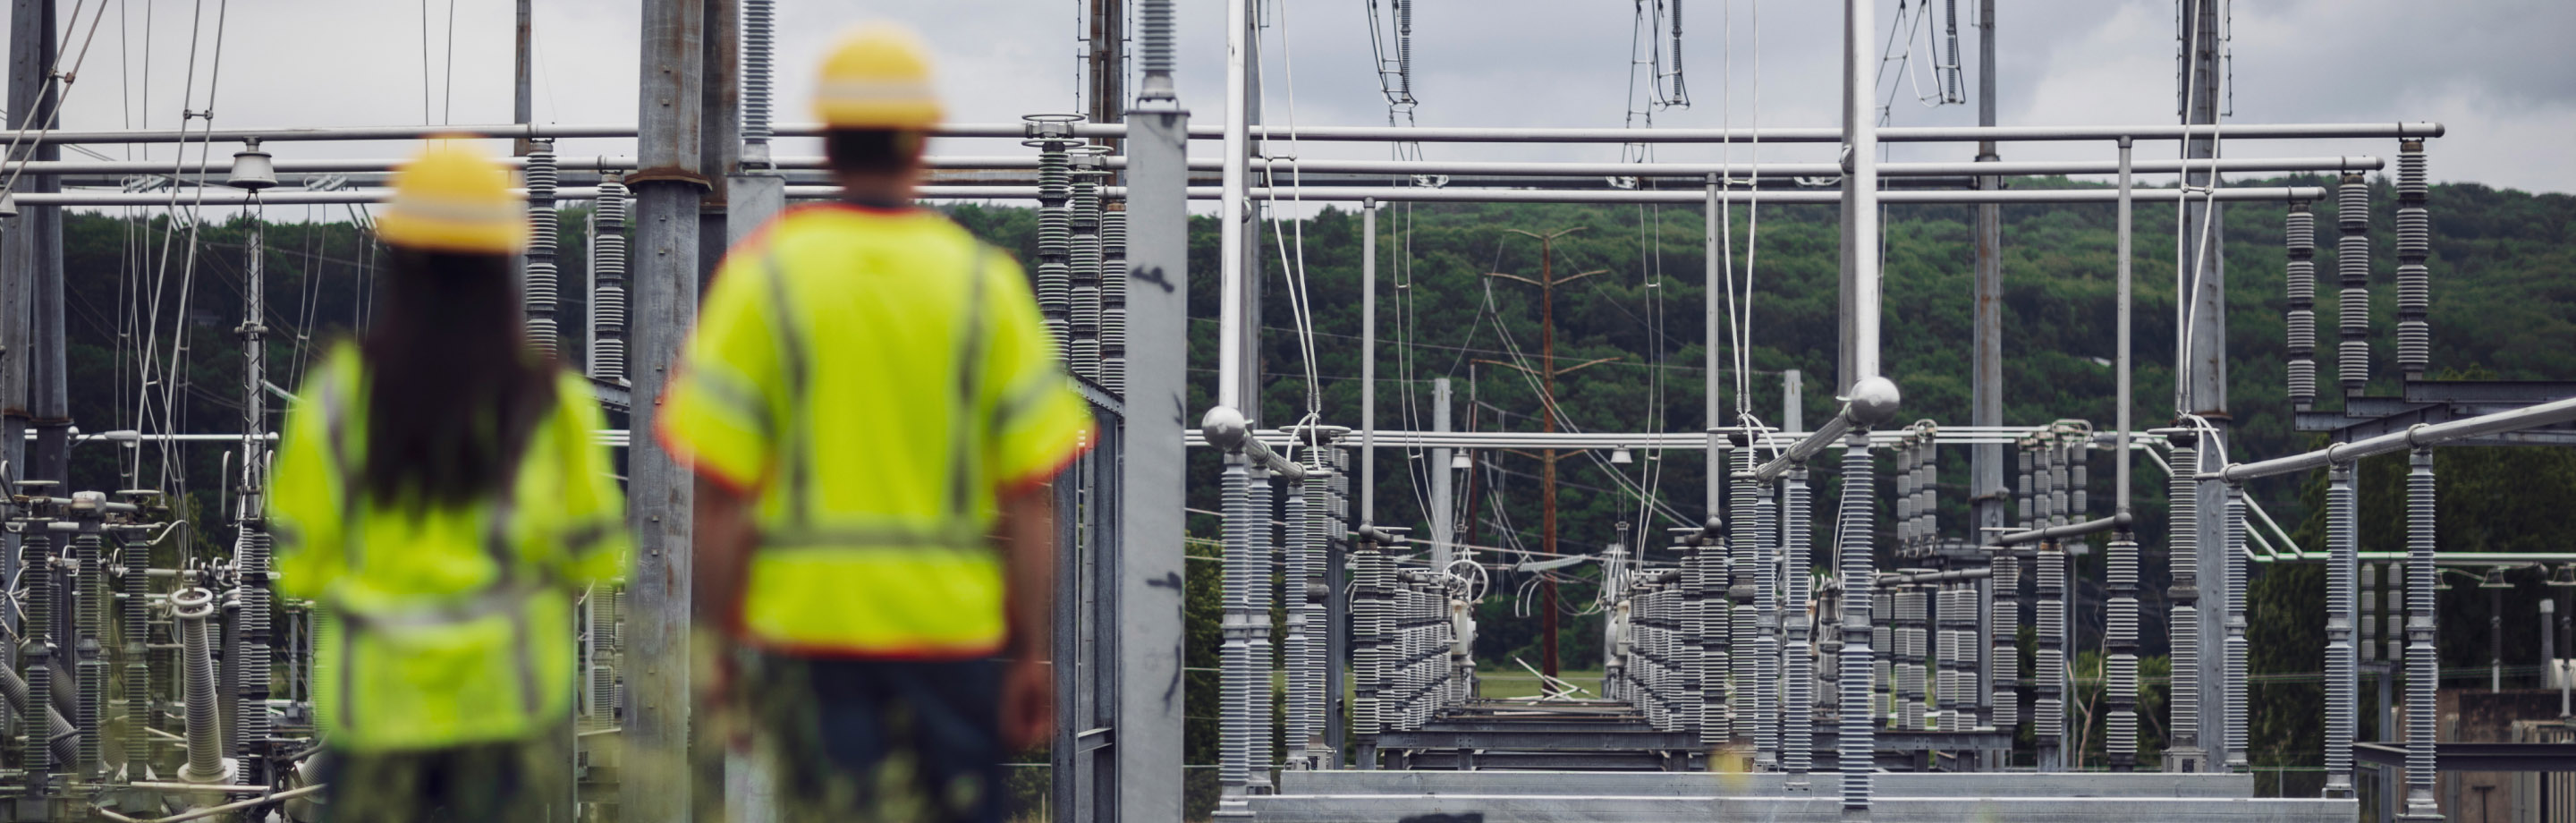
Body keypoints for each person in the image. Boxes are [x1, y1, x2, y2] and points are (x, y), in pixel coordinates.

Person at [657, 21, 1095, 823]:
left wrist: (718, 646)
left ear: (826, 141)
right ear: (924, 141)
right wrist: (1032, 652)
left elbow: (720, 496)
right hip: (951, 638)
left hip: (808, 637)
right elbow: (1030, 496)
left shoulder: (767, 279)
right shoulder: (981, 287)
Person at [270, 141, 629, 822]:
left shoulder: (339, 399)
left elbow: (300, 566)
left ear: (399, 260)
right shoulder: (550, 402)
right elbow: (595, 556)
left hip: (375, 713)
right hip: (501, 718)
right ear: (502, 264)